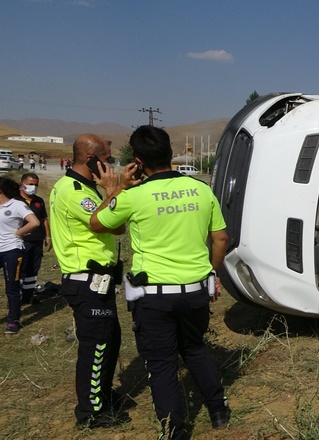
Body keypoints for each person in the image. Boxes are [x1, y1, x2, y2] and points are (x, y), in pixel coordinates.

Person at [90, 125, 230, 439]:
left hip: (154, 297)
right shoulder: (201, 189)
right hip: (195, 290)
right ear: (170, 153)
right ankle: (218, 408)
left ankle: (175, 430)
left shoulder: (133, 197)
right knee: (195, 348)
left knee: (162, 362)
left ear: (138, 160)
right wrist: (211, 272)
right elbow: (220, 238)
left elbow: (97, 222)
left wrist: (117, 189)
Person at [49, 134, 129, 429]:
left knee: (109, 340)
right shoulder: (73, 191)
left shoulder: (85, 188)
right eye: (107, 160)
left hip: (99, 281)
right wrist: (113, 193)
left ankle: (102, 395)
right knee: (96, 346)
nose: (110, 167)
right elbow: (113, 223)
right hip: (87, 280)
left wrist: (111, 192)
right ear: (92, 159)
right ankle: (90, 412)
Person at [0, 178, 40, 334]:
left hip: (12, 249)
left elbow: (34, 222)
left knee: (12, 287)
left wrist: (18, 233)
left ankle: (13, 320)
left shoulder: (17, 205)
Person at [19, 173, 52, 305]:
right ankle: (17, 296)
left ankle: (28, 295)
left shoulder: (39, 201)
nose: (33, 187)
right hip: (21, 241)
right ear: (22, 184)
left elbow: (44, 220)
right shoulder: (14, 200)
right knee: (20, 269)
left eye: (36, 185)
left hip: (37, 240)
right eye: (31, 184)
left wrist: (48, 237)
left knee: (33, 269)